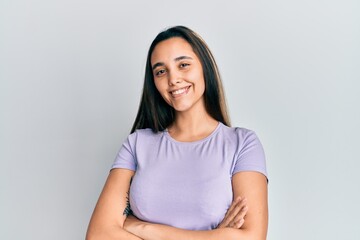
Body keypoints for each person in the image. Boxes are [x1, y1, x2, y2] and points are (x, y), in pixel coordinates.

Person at [86, 26, 268, 240]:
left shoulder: (243, 144)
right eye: (161, 71)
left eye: (183, 65)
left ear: (204, 68)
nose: (173, 79)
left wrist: (144, 228)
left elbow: (252, 237)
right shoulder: (136, 144)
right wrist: (215, 236)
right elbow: (98, 235)